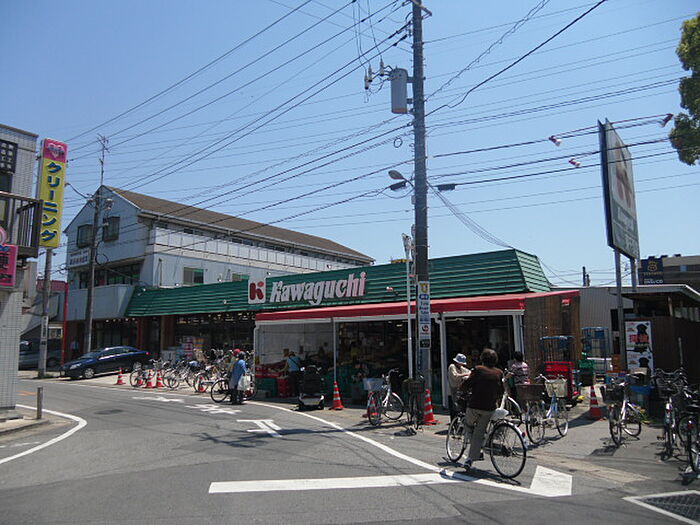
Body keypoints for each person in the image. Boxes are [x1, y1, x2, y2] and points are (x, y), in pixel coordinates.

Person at [459, 348, 504, 472]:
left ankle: (473, 453)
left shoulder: (478, 369)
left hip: (475, 406)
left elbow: (466, 384)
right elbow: (501, 390)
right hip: (489, 408)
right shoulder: (499, 372)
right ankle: (472, 456)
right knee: (480, 431)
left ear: (482, 359)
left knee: (468, 424)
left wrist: (462, 388)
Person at [447, 353, 470, 419]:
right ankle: (453, 422)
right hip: (452, 390)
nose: (462, 365)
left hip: (459, 391)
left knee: (460, 407)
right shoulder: (452, 366)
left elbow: (469, 372)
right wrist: (465, 374)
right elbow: (455, 375)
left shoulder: (461, 368)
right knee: (454, 409)